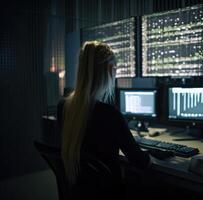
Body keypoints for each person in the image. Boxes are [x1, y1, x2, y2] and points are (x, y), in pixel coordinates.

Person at [56, 41, 150, 199]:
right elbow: (139, 161)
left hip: (78, 193)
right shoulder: (109, 114)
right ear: (109, 70)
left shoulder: (63, 107)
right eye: (115, 69)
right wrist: (155, 153)